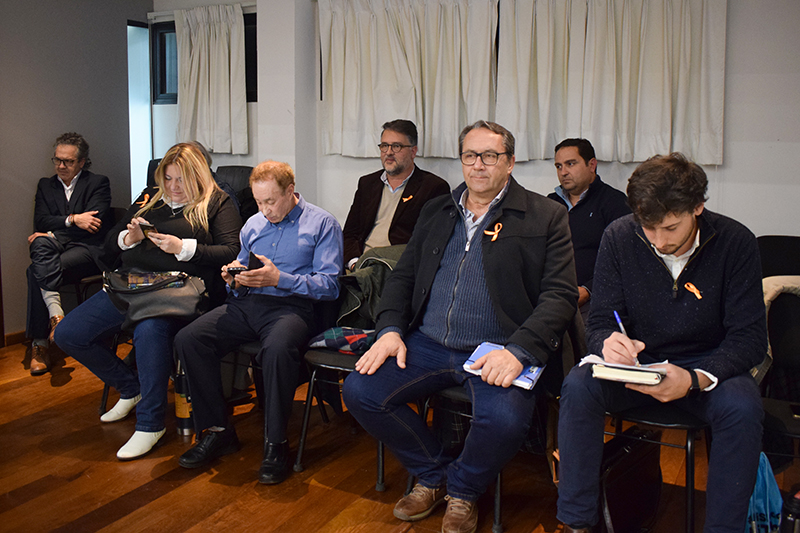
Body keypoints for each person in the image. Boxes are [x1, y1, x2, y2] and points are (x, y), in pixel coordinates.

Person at [343, 121, 578, 533]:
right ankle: (434, 475)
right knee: (361, 391)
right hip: (428, 343)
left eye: (490, 156)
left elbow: (559, 296)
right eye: (470, 155)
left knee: (506, 420)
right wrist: (391, 329)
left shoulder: (545, 216)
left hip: (498, 349)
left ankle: (465, 490)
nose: (478, 165)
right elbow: (403, 277)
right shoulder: (437, 210)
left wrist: (519, 351)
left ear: (510, 162)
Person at [556, 153, 767, 533]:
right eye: (648, 228)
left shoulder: (735, 242)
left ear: (697, 207)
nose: (658, 241)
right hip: (640, 363)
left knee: (743, 407)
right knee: (578, 386)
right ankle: (577, 523)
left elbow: (749, 339)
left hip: (707, 364)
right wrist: (608, 343)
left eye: (670, 228)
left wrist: (695, 378)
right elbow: (600, 321)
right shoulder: (620, 235)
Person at [54, 143, 241, 460]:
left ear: (198, 177)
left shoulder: (216, 202)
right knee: (68, 334)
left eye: (181, 180)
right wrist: (129, 239)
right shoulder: (150, 197)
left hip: (179, 292)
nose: (173, 186)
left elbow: (231, 251)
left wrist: (182, 247)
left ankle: (150, 424)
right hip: (133, 285)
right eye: (167, 178)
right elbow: (111, 240)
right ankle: (131, 387)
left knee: (149, 329)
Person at [174, 160, 343, 485]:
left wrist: (280, 279)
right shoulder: (253, 224)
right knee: (189, 339)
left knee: (276, 349)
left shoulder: (322, 224)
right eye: (259, 201)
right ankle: (219, 430)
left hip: (292, 308)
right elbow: (243, 269)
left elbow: (330, 285)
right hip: (247, 303)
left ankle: (276, 443)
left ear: (290, 191)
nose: (265, 210)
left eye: (271, 201)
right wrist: (233, 279)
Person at [26, 132, 113, 375]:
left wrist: (54, 233)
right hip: (58, 247)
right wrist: (74, 219)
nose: (61, 166)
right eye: (57, 160)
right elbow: (40, 221)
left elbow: (94, 225)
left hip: (88, 250)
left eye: (68, 161)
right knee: (37, 254)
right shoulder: (46, 185)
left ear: (82, 162)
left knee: (35, 270)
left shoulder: (97, 183)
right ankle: (54, 322)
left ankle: (40, 344)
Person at [342, 119, 449, 270]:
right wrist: (354, 263)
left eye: (396, 146)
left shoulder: (433, 187)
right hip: (361, 265)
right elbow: (350, 233)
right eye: (384, 146)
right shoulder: (367, 183)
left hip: (398, 268)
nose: (389, 152)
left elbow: (432, 242)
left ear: (413, 151)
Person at [547, 138, 630, 322]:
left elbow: (625, 258)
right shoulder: (549, 203)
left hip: (595, 298)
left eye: (570, 164)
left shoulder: (615, 203)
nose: (563, 172)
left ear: (592, 165)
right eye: (559, 166)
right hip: (550, 296)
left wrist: (588, 290)